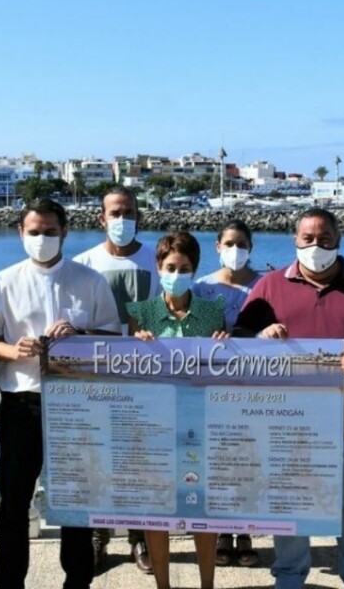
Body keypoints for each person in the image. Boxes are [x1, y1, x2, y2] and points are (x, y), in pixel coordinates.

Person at [233, 207, 344, 589]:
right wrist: (261, 339)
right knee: (291, 506)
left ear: (338, 241)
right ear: (295, 240)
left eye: (324, 239)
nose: (316, 245)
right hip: (287, 426)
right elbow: (239, 341)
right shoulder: (270, 286)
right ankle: (290, 576)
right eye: (307, 238)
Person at [0, 198, 120, 589]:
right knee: (13, 503)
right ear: (20, 233)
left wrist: (79, 336)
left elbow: (113, 339)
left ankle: (77, 582)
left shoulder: (90, 281)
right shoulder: (3, 281)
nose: (42, 239)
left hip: (76, 406)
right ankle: (9, 583)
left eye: (50, 232)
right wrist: (15, 350)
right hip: (21, 405)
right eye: (34, 232)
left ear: (65, 233)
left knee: (76, 502)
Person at [127, 231, 228, 589]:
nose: (177, 272)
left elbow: (223, 367)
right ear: (158, 267)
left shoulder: (213, 312)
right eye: (171, 266)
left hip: (201, 422)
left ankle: (206, 584)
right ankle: (163, 586)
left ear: (195, 269)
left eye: (185, 267)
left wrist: (223, 346)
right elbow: (126, 368)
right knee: (156, 512)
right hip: (154, 425)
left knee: (204, 510)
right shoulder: (140, 313)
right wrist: (135, 343)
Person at [72, 185, 159, 573]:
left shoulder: (158, 260)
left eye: (129, 212)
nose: (122, 220)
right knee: (97, 461)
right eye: (115, 212)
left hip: (147, 377)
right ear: (100, 218)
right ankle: (98, 535)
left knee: (140, 462)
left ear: (139, 215)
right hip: (98, 380)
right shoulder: (82, 264)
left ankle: (141, 537)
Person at [191, 218, 264, 568]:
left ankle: (246, 530)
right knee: (218, 463)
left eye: (242, 244)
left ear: (251, 248)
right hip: (213, 388)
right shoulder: (201, 288)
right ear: (217, 246)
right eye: (229, 243)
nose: (235, 250)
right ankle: (222, 531)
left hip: (255, 385)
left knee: (248, 461)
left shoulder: (267, 286)